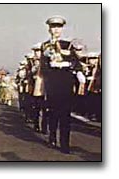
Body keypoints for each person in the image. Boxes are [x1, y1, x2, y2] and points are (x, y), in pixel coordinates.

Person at [40, 15, 82, 154]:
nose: (56, 30)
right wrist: (50, 67)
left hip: (65, 79)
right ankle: (52, 135)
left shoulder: (67, 44)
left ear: (62, 29)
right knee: (53, 111)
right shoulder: (45, 45)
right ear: (49, 29)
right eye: (53, 27)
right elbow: (43, 66)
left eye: (59, 27)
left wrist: (71, 67)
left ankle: (65, 143)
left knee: (65, 113)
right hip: (52, 80)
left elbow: (76, 62)